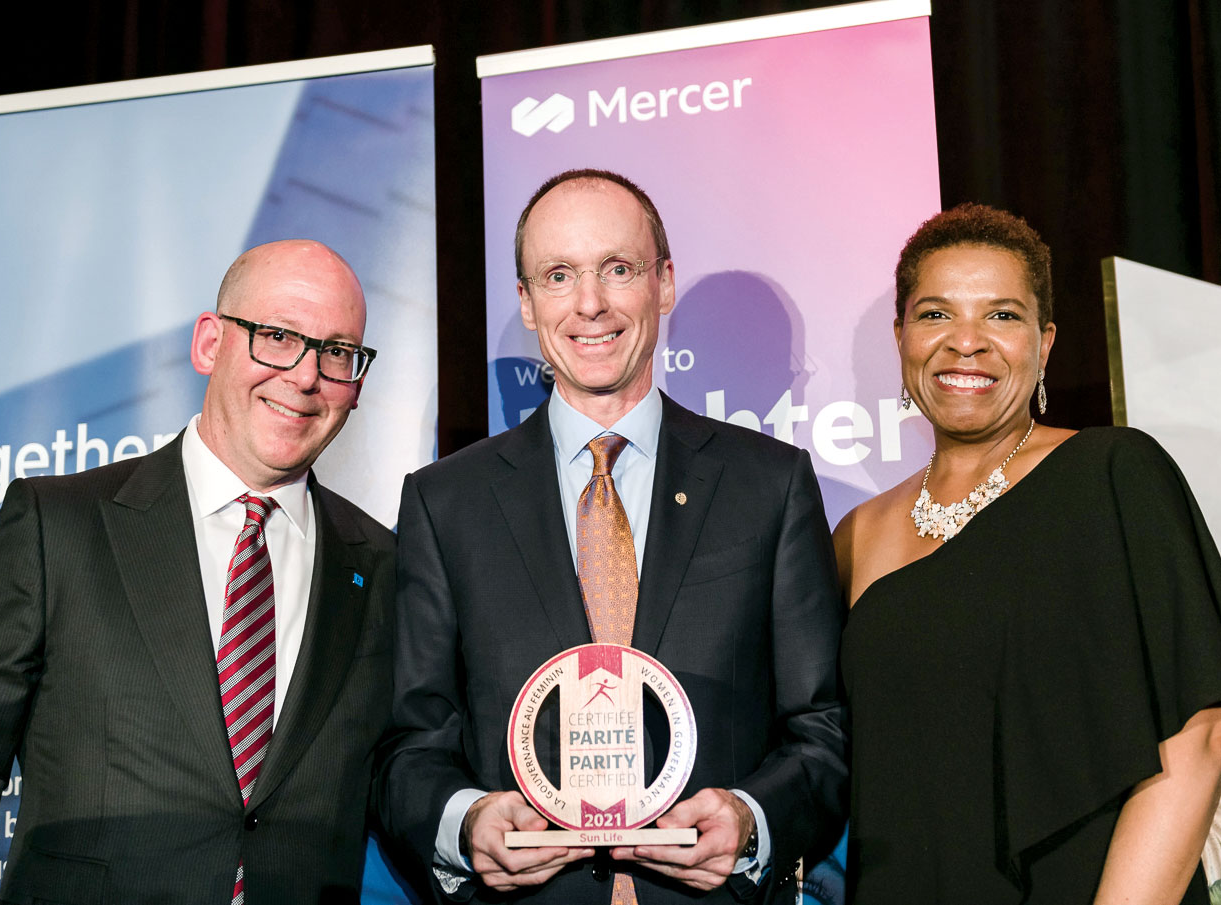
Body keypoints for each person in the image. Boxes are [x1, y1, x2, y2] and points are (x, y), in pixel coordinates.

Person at [377, 169, 846, 904]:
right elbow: (409, 744)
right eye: (558, 275)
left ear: (662, 284)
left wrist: (751, 821)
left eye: (617, 269)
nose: (589, 303)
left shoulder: (771, 485)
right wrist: (465, 823)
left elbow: (822, 729)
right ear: (528, 305)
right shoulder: (445, 503)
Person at [0, 239, 397, 904]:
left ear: (356, 385)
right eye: (277, 335)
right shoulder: (58, 526)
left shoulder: (386, 565)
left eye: (337, 352)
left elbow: (396, 773)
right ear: (210, 344)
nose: (306, 375)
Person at [834, 203, 1221, 903]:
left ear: (1044, 343)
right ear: (900, 338)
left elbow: (1196, 741)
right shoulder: (853, 535)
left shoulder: (1113, 475)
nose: (967, 342)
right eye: (936, 315)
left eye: (1003, 316)